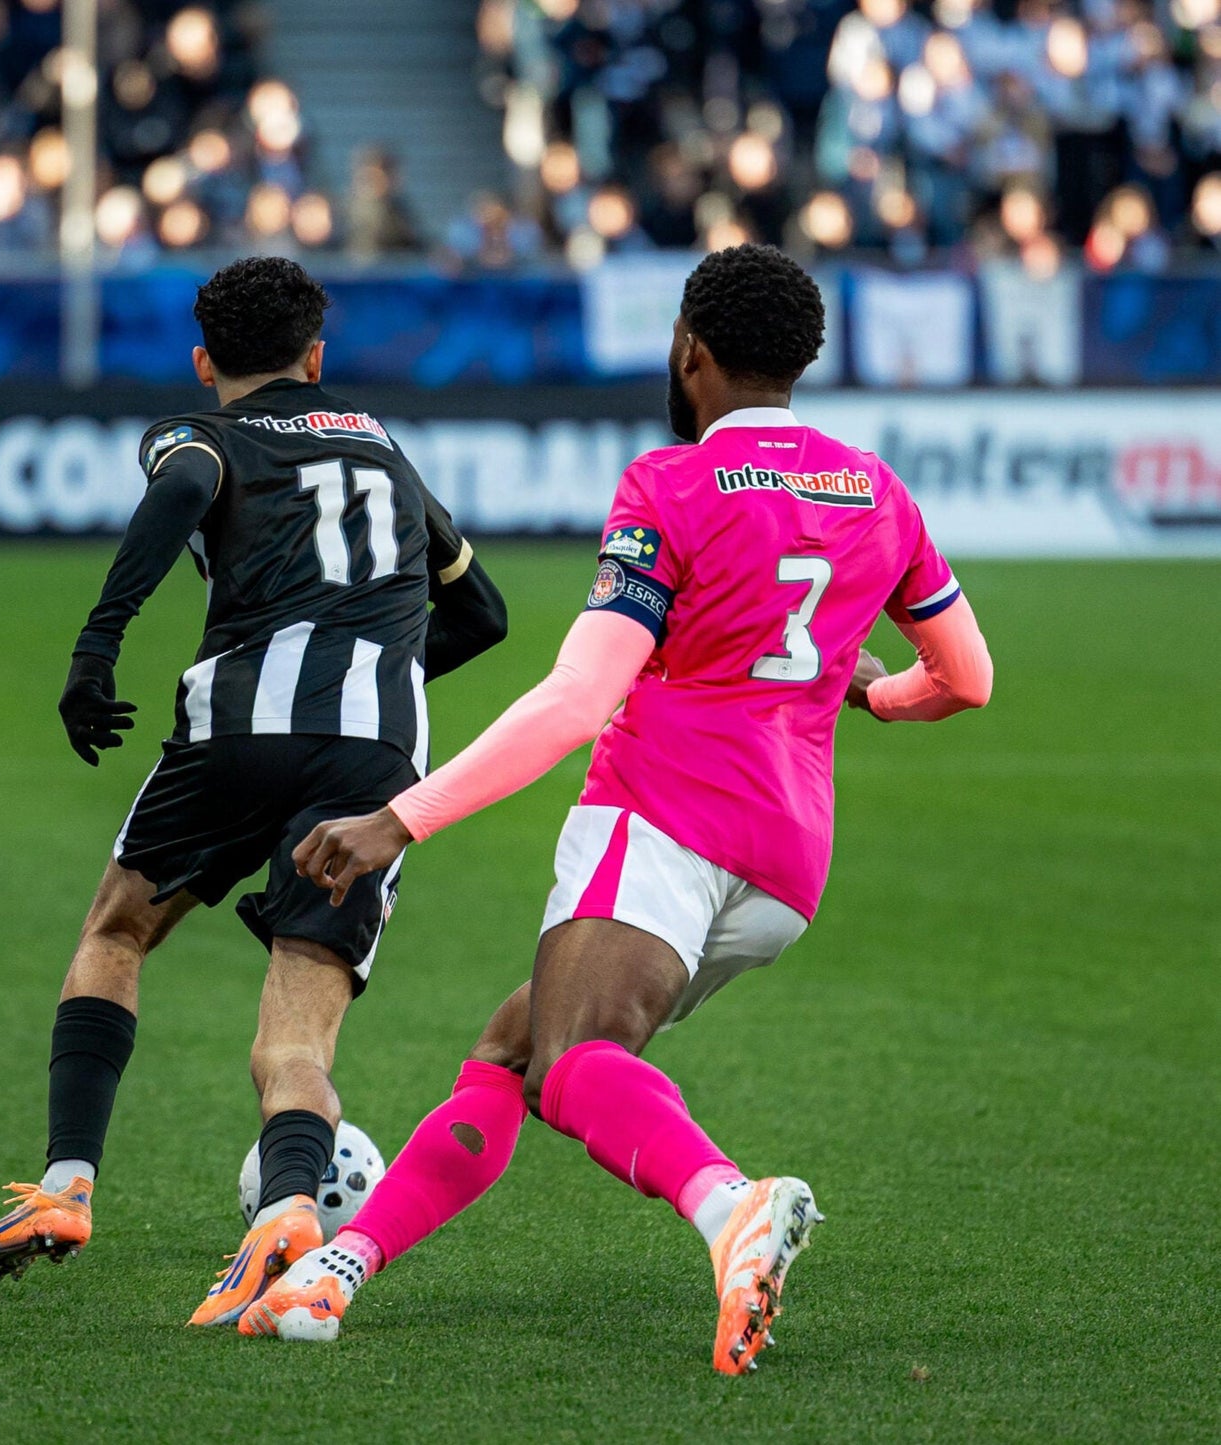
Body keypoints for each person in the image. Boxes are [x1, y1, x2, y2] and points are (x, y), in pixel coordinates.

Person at [243, 244, 994, 1373]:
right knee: (513, 1047)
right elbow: (966, 676)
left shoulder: (671, 484)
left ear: (689, 349)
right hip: (787, 864)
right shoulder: (874, 490)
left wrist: (399, 817)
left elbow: (577, 699)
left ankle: (729, 1205)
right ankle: (335, 1273)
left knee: (574, 1056)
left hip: (664, 815)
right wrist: (872, 693)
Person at [0, 257, 508, 1330]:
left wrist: (97, 646)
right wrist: (369, 687)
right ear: (317, 355)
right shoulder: (385, 450)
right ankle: (292, 1211)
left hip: (235, 729)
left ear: (204, 360)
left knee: (116, 930)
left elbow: (181, 489)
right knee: (298, 1023)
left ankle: (66, 1185)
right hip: (371, 760)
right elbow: (481, 614)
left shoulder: (199, 433)